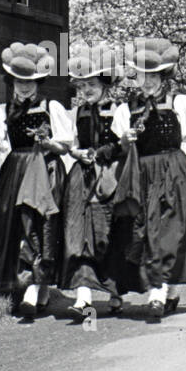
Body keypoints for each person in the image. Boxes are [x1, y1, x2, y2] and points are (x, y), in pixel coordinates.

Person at [0, 42, 73, 320]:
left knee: (43, 227)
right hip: (16, 170)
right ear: (12, 82)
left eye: (30, 82)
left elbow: (64, 147)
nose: (24, 87)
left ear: (38, 82)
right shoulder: (3, 112)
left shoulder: (52, 107)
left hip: (46, 170)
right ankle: (23, 286)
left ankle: (36, 289)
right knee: (13, 225)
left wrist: (48, 142)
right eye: (19, 81)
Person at [118, 38, 186, 322]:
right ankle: (161, 292)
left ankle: (163, 292)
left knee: (172, 231)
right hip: (144, 174)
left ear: (162, 76)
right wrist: (127, 139)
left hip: (176, 173)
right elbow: (123, 147)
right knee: (149, 231)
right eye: (143, 75)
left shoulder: (180, 103)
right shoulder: (127, 108)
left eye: (153, 75)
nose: (147, 81)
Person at [60, 46, 141, 321]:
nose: (86, 91)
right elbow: (71, 144)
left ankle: (115, 292)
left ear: (104, 85)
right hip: (82, 178)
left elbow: (124, 145)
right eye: (82, 86)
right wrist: (77, 153)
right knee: (80, 235)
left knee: (107, 235)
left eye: (92, 85)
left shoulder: (119, 111)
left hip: (109, 178)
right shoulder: (78, 112)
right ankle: (84, 299)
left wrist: (105, 153)